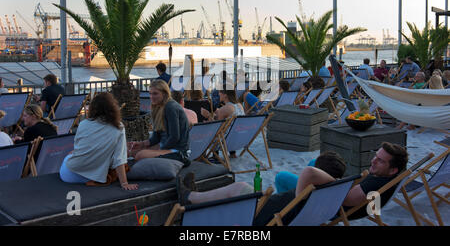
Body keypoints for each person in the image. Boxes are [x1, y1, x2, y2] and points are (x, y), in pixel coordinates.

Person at [176, 142, 408, 225]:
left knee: (240, 189)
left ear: (393, 168)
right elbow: (365, 205)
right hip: (316, 210)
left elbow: (348, 198)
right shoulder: (387, 181)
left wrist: (301, 199)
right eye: (375, 156)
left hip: (284, 213)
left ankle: (191, 198)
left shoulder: (370, 187)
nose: (374, 161)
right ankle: (196, 197)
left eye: (380, 160)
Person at [59, 92, 138, 190]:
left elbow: (78, 147)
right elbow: (119, 159)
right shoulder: (118, 127)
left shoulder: (83, 124)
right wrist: (124, 183)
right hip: (93, 176)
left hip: (68, 175)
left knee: (70, 155)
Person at [128, 79, 190, 164]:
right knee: (130, 150)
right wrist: (141, 144)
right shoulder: (157, 107)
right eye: (150, 93)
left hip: (178, 152)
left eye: (155, 93)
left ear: (164, 94)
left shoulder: (171, 107)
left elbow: (174, 137)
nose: (151, 97)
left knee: (140, 155)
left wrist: (158, 150)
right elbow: (156, 138)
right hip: (165, 147)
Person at [274, 151, 346, 193]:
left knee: (280, 177)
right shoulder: (344, 186)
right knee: (313, 162)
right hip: (326, 186)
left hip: (310, 193)